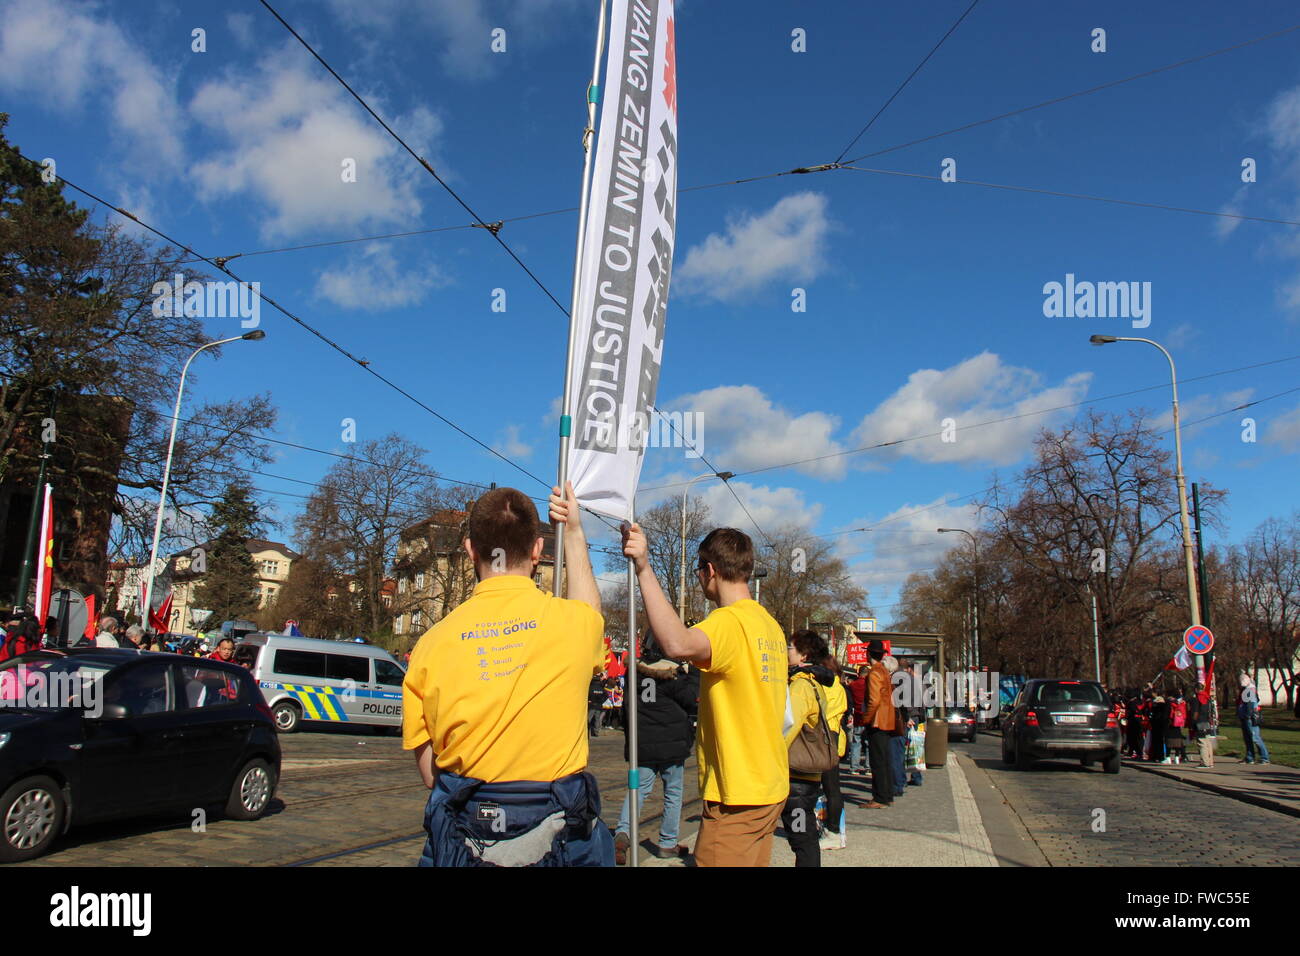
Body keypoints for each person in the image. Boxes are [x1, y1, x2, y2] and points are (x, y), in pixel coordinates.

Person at [402, 483, 612, 867]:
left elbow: (431, 774)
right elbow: (589, 610)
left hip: (464, 838)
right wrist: (576, 533)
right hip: (559, 836)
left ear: (469, 550)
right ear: (537, 552)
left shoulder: (429, 646)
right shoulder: (574, 624)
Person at [621, 523, 788, 867]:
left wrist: (643, 567)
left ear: (710, 570)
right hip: (770, 785)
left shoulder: (728, 622)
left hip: (738, 793)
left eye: (698, 570)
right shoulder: (768, 624)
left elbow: (677, 644)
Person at [612, 629, 700, 864]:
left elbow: (626, 707)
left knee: (638, 790)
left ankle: (624, 832)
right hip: (672, 744)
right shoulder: (673, 675)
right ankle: (667, 842)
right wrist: (695, 672)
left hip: (643, 743)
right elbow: (692, 699)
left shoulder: (634, 672)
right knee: (673, 792)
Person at [781, 630, 836, 867]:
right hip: (807, 777)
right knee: (804, 836)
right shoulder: (813, 682)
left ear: (803, 655)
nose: (785, 652)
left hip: (797, 779)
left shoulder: (801, 686)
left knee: (802, 837)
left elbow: (787, 727)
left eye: (789, 648)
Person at [816, 646, 848, 851]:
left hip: (827, 737)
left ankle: (833, 831)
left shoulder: (828, 687)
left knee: (830, 786)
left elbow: (823, 713)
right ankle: (833, 829)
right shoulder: (839, 685)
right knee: (832, 786)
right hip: (833, 737)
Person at [861, 640, 896, 807]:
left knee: (877, 762)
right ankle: (887, 795)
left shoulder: (874, 673)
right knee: (884, 760)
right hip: (887, 720)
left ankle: (879, 797)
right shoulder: (884, 671)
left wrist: (866, 719)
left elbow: (873, 701)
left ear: (869, 654)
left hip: (877, 722)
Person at [884, 656, 908, 799]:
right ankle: (898, 783)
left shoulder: (894, 682)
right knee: (897, 755)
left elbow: (900, 704)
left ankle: (896, 786)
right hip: (898, 721)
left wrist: (905, 718)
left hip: (894, 722)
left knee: (894, 755)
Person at [1236, 673, 1270, 765]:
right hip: (1245, 717)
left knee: (1255, 738)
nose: (1241, 682)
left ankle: (1264, 757)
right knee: (1248, 738)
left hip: (1249, 718)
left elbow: (1251, 705)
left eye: (1242, 680)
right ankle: (1250, 757)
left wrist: (1247, 715)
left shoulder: (1250, 690)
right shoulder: (1246, 690)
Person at [848, 666, 869, 775]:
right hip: (868, 717)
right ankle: (868, 767)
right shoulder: (869, 684)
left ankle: (854, 767)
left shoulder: (853, 685)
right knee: (868, 743)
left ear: (858, 673)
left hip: (857, 716)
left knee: (856, 742)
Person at [1188, 682, 1214, 768]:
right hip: (1207, 721)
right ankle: (1210, 762)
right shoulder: (1207, 697)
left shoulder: (1197, 699)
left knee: (1201, 742)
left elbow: (1195, 712)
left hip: (1199, 721)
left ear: (1196, 689)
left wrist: (1192, 723)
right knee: (1207, 742)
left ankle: (1204, 762)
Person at [1166, 689, 1188, 764]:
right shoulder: (1182, 703)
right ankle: (1177, 757)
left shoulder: (1169, 703)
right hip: (1179, 722)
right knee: (1178, 740)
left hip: (1171, 722)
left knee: (1169, 740)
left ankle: (1168, 757)